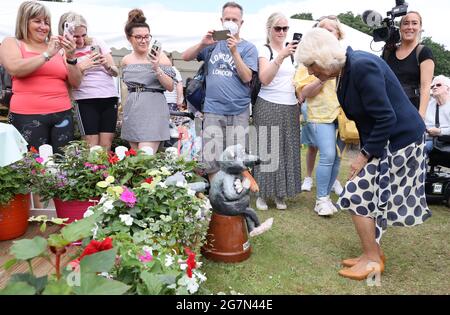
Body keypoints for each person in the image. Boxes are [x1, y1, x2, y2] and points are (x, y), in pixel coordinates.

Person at [296, 28, 431, 280]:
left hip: (401, 141)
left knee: (356, 194)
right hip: (387, 141)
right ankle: (373, 254)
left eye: (312, 65)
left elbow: (385, 117)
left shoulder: (361, 66)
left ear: (324, 57)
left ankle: (371, 259)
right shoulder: (346, 70)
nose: (311, 71)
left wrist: (364, 155)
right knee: (360, 194)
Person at [181, 2, 258, 186]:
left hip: (238, 110)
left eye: (235, 19)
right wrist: (202, 43)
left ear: (242, 22)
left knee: (236, 157)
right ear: (221, 20)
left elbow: (247, 77)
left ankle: (233, 196)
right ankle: (217, 199)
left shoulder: (249, 48)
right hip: (213, 109)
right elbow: (185, 57)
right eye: (227, 19)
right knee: (211, 158)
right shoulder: (212, 44)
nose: (231, 22)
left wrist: (234, 51)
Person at [0, 1, 82, 154]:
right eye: (37, 21)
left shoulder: (58, 48)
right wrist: (47, 54)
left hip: (62, 113)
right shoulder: (12, 43)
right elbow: (15, 68)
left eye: (46, 22)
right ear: (24, 22)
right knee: (31, 167)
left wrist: (71, 57)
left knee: (64, 165)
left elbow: (76, 82)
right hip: (27, 115)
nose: (43, 27)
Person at [294, 16, 345, 216]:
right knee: (328, 155)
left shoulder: (345, 59)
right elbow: (303, 93)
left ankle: (326, 197)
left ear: (338, 34)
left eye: (330, 30)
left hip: (343, 115)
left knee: (338, 159)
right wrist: (324, 76)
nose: (326, 33)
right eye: (322, 30)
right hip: (320, 114)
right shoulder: (308, 59)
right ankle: (321, 199)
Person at [252, 13, 300, 211]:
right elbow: (264, 78)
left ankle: (281, 194)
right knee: (266, 149)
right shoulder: (264, 50)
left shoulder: (294, 52)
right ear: (269, 29)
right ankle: (262, 194)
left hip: (290, 106)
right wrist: (281, 55)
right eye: (278, 28)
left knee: (287, 149)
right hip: (268, 104)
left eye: (285, 28)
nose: (282, 32)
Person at [59, 12, 119, 151]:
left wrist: (107, 66)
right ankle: (92, 171)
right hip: (85, 99)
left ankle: (105, 173)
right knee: (91, 144)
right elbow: (71, 80)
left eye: (83, 35)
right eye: (76, 36)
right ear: (66, 33)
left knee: (106, 143)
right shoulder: (63, 51)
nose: (80, 40)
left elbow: (116, 72)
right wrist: (82, 66)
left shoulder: (97, 42)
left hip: (109, 96)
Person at [120, 9, 175, 153]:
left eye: (146, 36)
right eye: (138, 37)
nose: (143, 40)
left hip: (153, 108)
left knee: (145, 156)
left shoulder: (160, 56)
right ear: (129, 38)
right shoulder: (126, 60)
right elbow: (126, 88)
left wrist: (156, 67)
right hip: (132, 110)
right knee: (135, 159)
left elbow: (170, 86)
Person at [383, 11, 435, 118]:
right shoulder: (389, 52)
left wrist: (421, 116)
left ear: (420, 27)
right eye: (406, 23)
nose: (409, 27)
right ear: (400, 27)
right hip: (388, 110)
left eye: (414, 23)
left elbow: (425, 87)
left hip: (410, 110)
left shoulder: (423, 52)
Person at [424, 75, 450, 154]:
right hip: (425, 138)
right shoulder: (428, 104)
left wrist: (440, 131)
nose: (434, 87)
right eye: (432, 86)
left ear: (448, 88)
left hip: (443, 141)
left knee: (419, 149)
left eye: (438, 85)